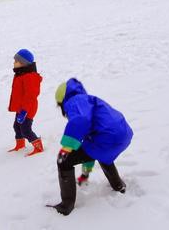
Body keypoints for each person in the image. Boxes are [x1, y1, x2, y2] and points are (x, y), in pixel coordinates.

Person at [49, 78, 133, 215]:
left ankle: (66, 206)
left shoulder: (74, 101)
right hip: (122, 135)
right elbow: (90, 146)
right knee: (102, 154)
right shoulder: (87, 100)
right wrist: (86, 173)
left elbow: (80, 121)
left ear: (62, 100)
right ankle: (119, 186)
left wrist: (67, 147)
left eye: (60, 106)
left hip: (107, 137)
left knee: (63, 160)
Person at [7, 49, 44, 156]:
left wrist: (24, 111)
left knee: (25, 129)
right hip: (21, 107)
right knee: (16, 126)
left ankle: (38, 145)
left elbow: (30, 97)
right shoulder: (20, 74)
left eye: (16, 61)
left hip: (28, 108)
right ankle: (20, 145)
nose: (14, 63)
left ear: (23, 63)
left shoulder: (29, 77)